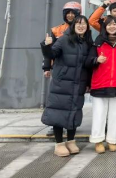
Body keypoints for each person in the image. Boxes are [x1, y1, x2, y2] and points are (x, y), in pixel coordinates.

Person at [41, 15, 92, 157]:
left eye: (84, 24)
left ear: (87, 27)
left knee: (74, 112)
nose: (81, 26)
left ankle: (70, 141)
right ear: (73, 26)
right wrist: (47, 45)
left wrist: (88, 83)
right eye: (78, 23)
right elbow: (52, 54)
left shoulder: (87, 43)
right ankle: (59, 144)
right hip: (61, 83)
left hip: (78, 84)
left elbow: (88, 66)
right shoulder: (64, 39)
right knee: (58, 112)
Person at [87, 16, 116, 153]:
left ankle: (112, 140)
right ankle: (98, 140)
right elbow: (87, 61)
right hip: (100, 82)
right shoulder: (98, 42)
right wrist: (96, 60)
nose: (112, 27)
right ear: (105, 27)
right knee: (99, 114)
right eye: (109, 24)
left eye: (115, 24)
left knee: (115, 114)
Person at [43, 1, 82, 137]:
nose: (70, 15)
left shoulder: (82, 28)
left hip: (75, 71)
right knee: (57, 101)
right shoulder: (56, 30)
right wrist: (47, 67)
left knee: (73, 101)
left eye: (73, 13)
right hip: (60, 70)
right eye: (67, 13)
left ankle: (70, 125)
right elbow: (50, 51)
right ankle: (55, 125)